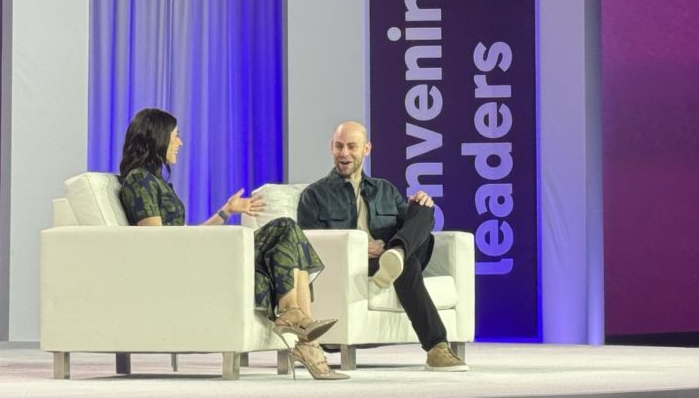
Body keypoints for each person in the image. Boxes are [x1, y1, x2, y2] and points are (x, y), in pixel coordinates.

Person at [117, 108, 348, 380]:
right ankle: (301, 331)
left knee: (289, 235)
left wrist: (226, 212)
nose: (180, 142)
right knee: (285, 228)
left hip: (192, 257)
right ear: (157, 138)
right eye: (175, 136)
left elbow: (183, 238)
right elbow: (157, 243)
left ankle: (301, 331)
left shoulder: (155, 182)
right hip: (185, 268)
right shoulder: (139, 181)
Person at [297, 121, 468, 372]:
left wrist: (418, 208)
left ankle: (397, 252)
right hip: (356, 263)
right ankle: (437, 348)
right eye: (338, 146)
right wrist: (356, 249)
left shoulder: (384, 189)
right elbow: (309, 244)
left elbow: (414, 225)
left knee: (423, 208)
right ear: (331, 148)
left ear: (366, 149)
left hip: (389, 254)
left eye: (351, 147)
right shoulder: (314, 195)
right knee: (407, 266)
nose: (344, 153)